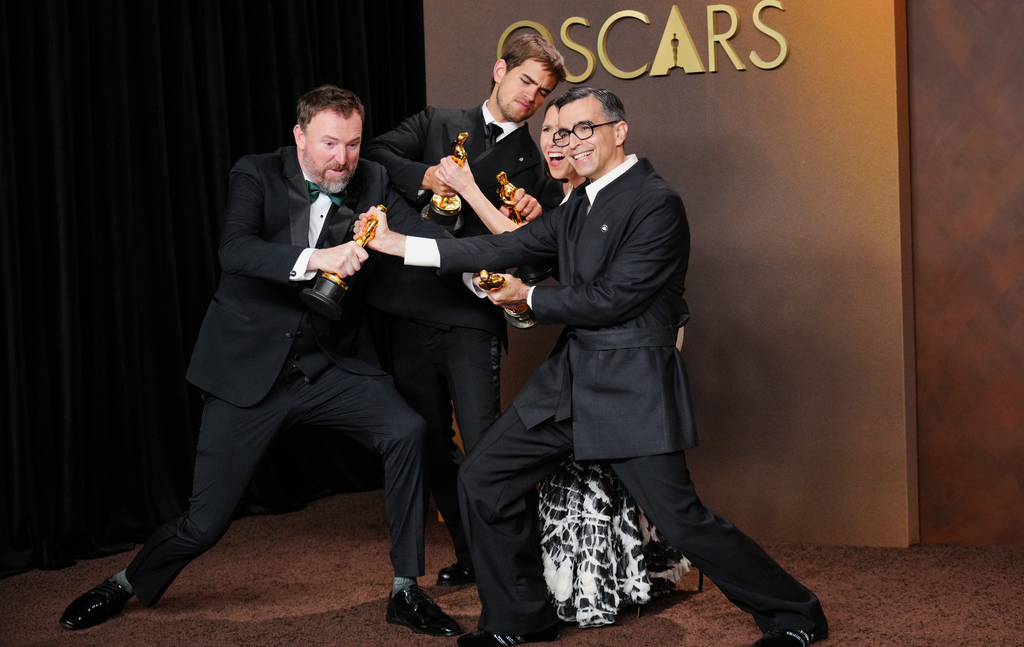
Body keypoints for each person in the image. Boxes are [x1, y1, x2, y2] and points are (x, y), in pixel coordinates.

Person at [356, 86, 829, 647]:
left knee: (681, 522)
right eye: (560, 132)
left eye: (584, 129)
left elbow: (612, 299)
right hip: (570, 382)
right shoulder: (577, 204)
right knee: (483, 477)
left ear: (618, 131)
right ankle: (516, 621)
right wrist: (397, 244)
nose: (569, 141)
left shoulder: (656, 202)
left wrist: (528, 300)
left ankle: (796, 614)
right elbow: (497, 249)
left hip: (631, 386)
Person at [58, 86, 461, 639]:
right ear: (298, 136)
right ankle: (124, 583)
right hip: (249, 370)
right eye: (328, 143)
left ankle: (404, 590)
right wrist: (318, 257)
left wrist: (480, 244)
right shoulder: (256, 173)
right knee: (204, 524)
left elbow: (416, 232)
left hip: (328, 364)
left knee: (407, 430)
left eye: (352, 142)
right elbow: (236, 251)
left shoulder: (370, 177)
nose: (342, 158)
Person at [361, 33, 566, 587]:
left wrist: (532, 210)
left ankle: (515, 567)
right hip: (409, 307)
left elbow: (537, 250)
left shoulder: (536, 166)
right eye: (526, 81)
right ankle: (473, 553)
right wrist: (427, 176)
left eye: (542, 93)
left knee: (487, 445)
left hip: (471, 317)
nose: (531, 98)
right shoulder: (435, 122)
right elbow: (376, 153)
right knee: (428, 444)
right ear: (499, 69)